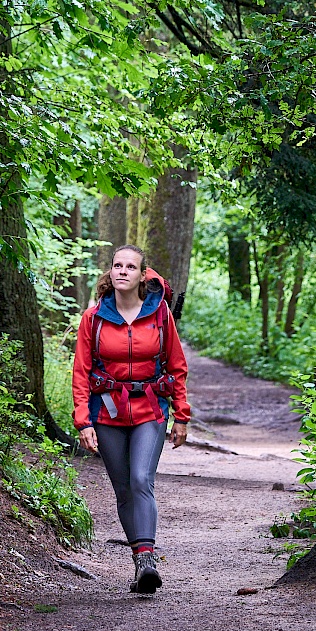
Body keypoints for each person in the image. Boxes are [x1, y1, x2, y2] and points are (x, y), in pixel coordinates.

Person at [72, 244, 190, 595]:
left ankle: (147, 560)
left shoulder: (160, 315)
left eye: (130, 266)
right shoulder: (92, 319)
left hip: (150, 409)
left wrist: (181, 415)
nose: (122, 271)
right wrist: (83, 421)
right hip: (106, 412)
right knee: (123, 488)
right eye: (116, 266)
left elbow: (177, 366)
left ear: (142, 275)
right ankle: (140, 562)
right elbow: (81, 373)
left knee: (141, 478)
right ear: (110, 273)